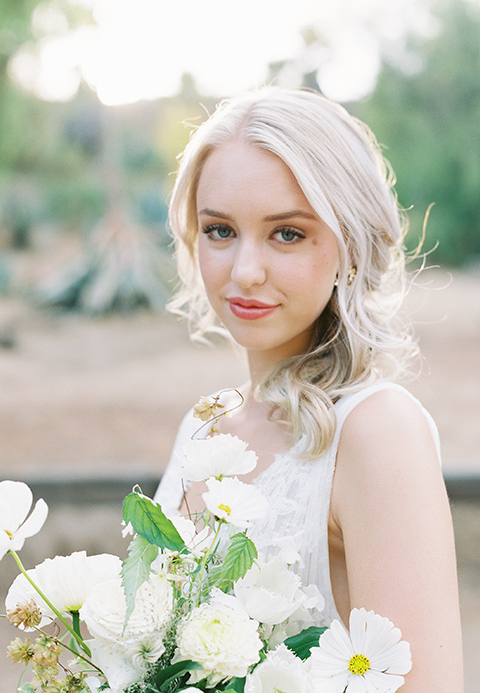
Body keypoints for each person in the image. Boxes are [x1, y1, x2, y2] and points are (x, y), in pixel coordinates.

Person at [154, 87, 463, 691]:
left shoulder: (377, 432)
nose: (245, 271)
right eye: (220, 230)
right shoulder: (203, 424)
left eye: (286, 234)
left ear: (348, 243)